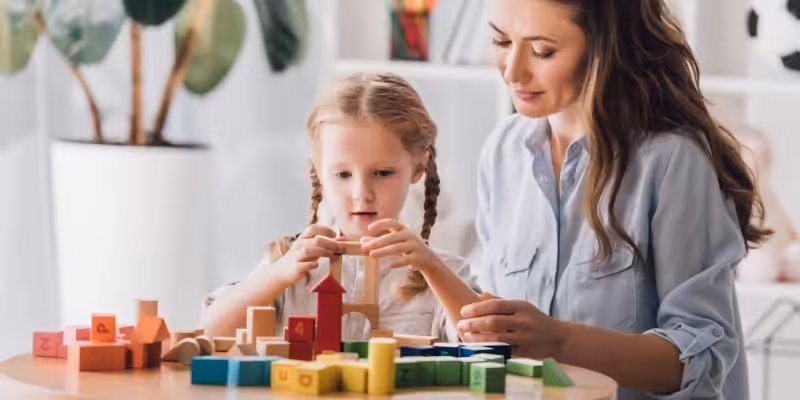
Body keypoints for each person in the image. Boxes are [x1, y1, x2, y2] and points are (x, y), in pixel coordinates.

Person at [457, 0, 770, 398]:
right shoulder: (502, 151)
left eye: (542, 51)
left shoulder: (672, 161)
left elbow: (702, 361)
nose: (511, 70)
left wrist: (559, 341)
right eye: (501, 41)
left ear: (603, 47)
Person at [201, 73, 480, 342]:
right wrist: (279, 274)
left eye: (382, 173)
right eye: (343, 175)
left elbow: (487, 342)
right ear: (319, 172)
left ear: (418, 168)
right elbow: (209, 333)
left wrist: (431, 267)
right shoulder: (290, 263)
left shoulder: (445, 273)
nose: (362, 193)